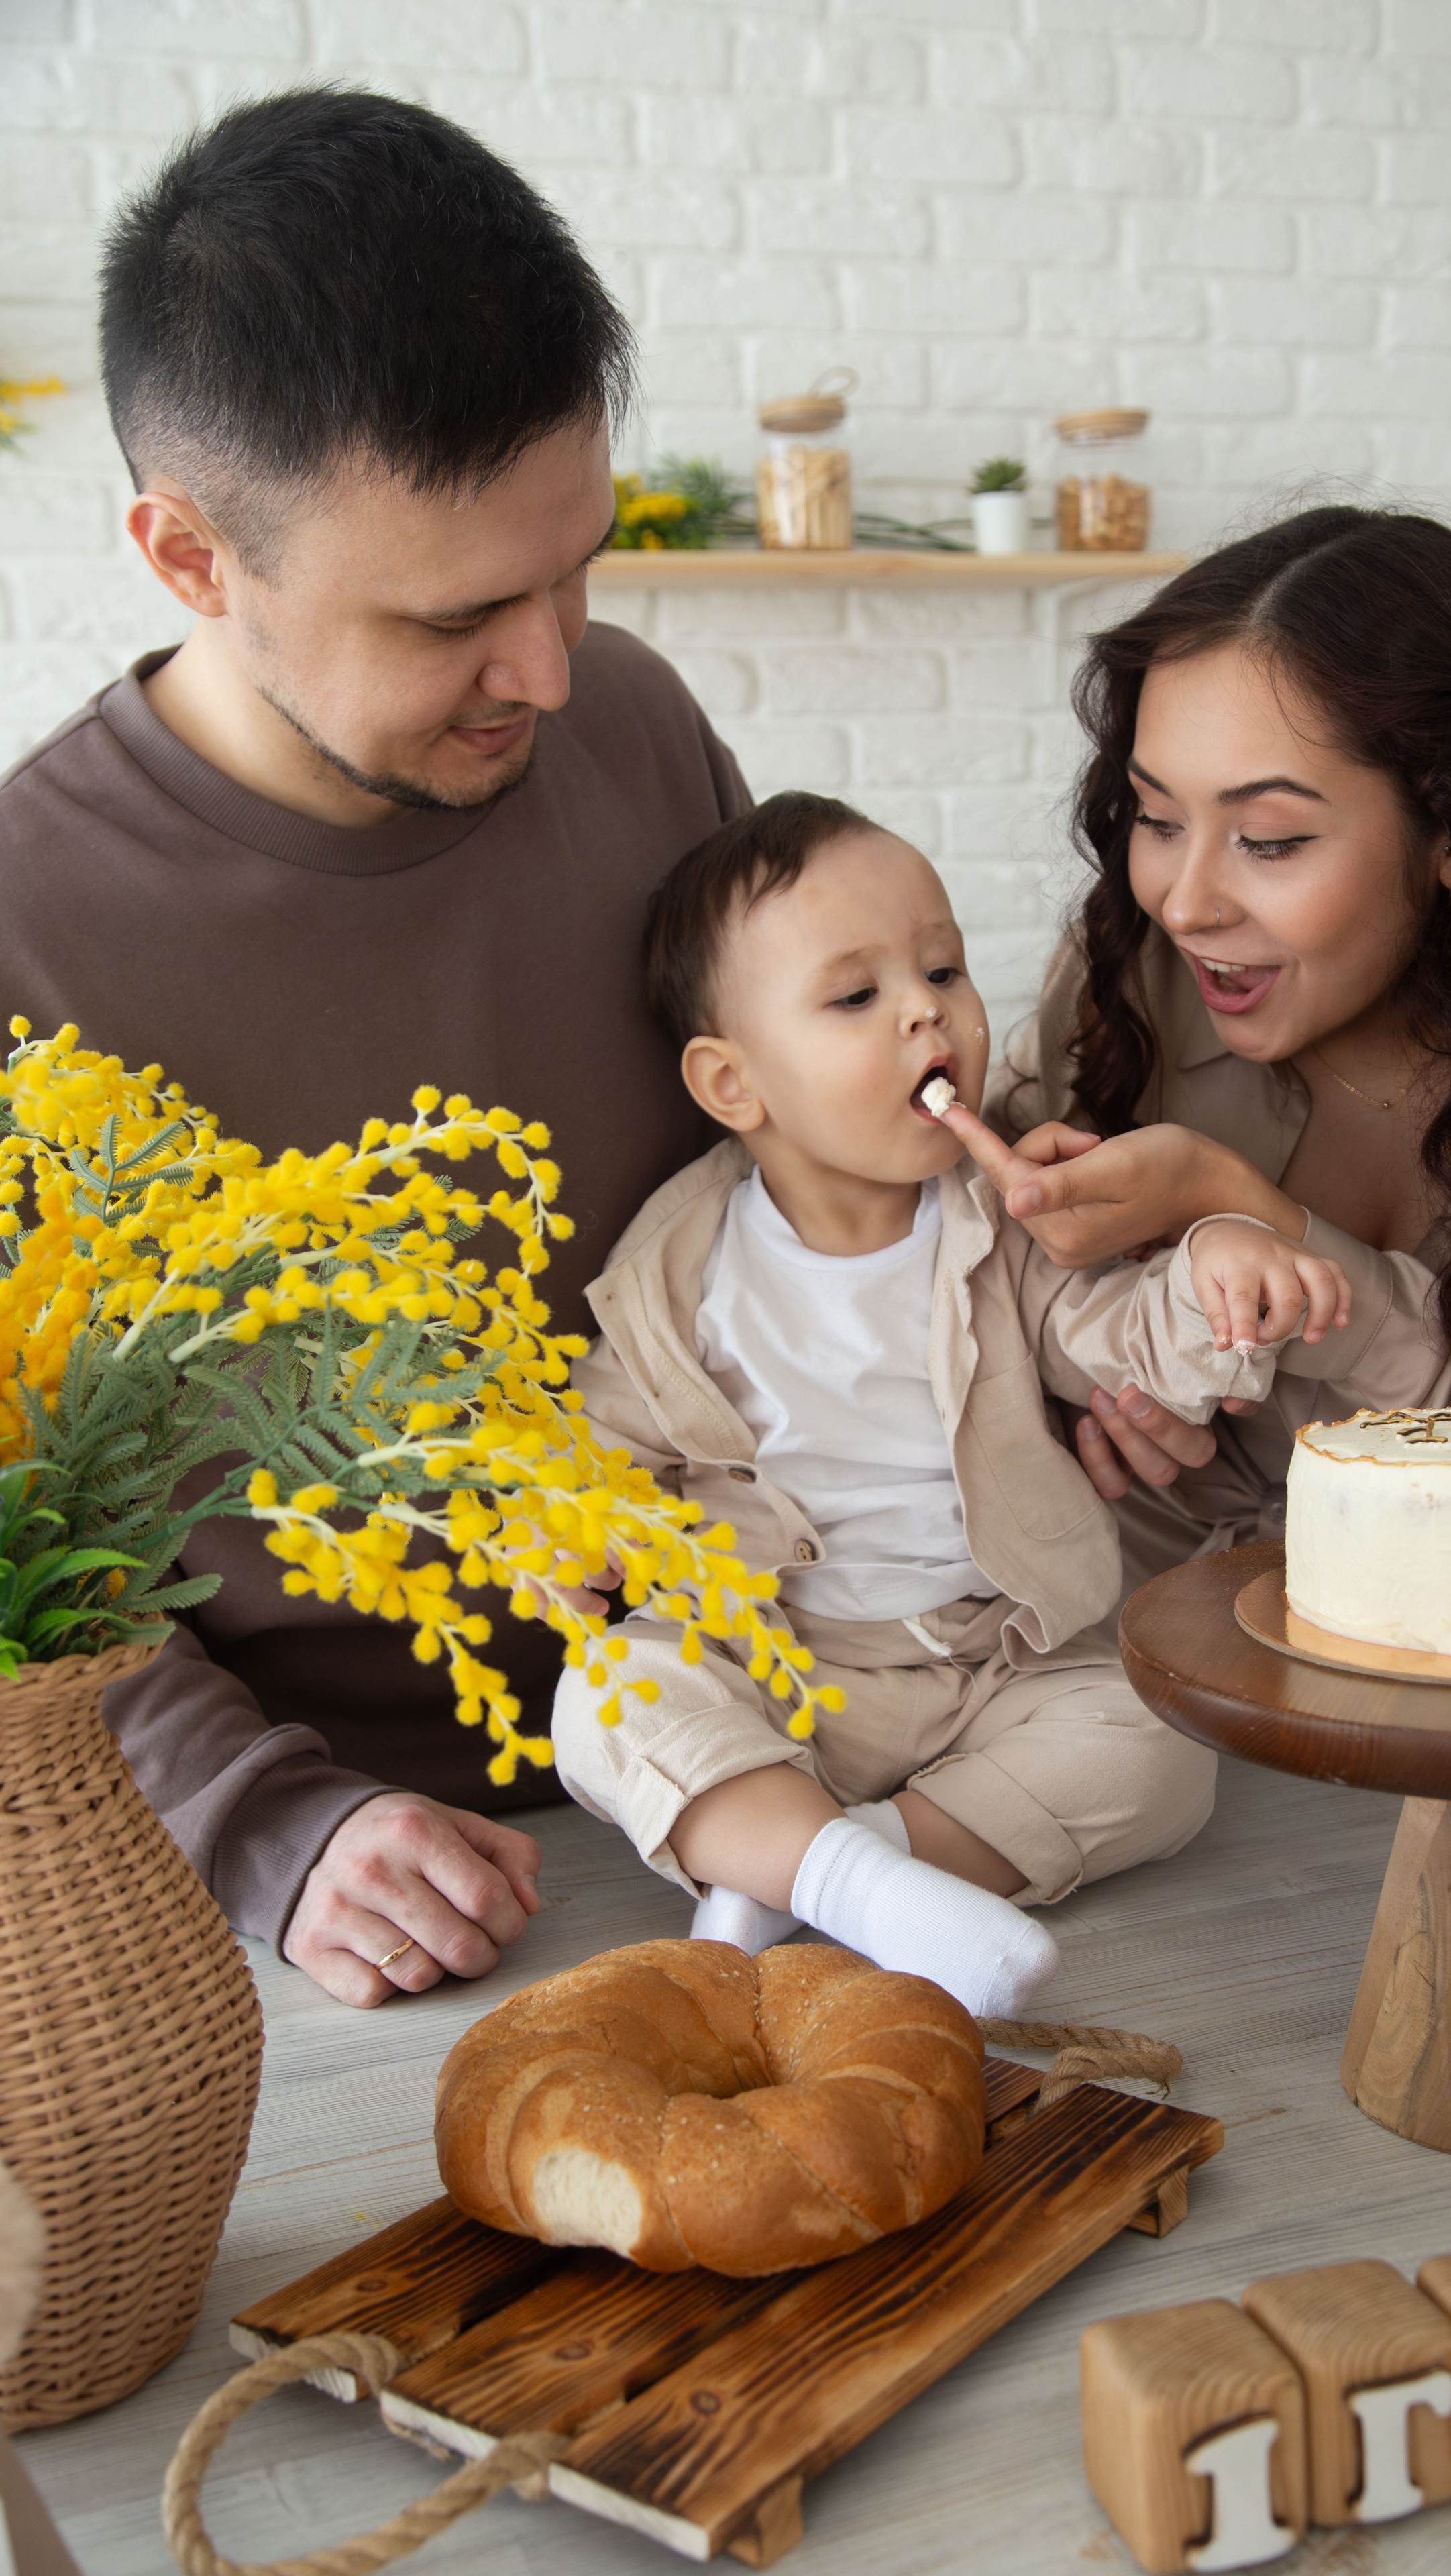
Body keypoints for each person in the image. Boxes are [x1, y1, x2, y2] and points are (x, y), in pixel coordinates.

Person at [0, 90, 750, 2007]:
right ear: (189, 557)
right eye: (455, 619)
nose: (554, 671)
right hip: (362, 1885)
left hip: (778, 1741)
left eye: (578, 565)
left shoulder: (644, 733)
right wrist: (268, 1819)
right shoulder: (26, 923)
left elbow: (791, 1173)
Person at [549, 793, 1352, 2015]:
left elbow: (1122, 1342)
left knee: (1163, 1747)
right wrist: (573, 1524)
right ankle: (837, 1871)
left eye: (944, 968)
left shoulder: (1005, 1222)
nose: (929, 1008)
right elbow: (602, 1435)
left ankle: (830, 1871)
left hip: (998, 1654)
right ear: (733, 1083)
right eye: (857, 996)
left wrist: (1214, 1272)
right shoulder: (678, 1270)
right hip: (773, 1660)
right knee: (608, 1697)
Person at [940, 504, 1451, 1586]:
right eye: (1157, 818)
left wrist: (1244, 1209)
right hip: (1138, 1660)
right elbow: (954, 1277)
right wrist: (1066, 1388)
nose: (1187, 902)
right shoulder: (1133, 980)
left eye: (1271, 840)